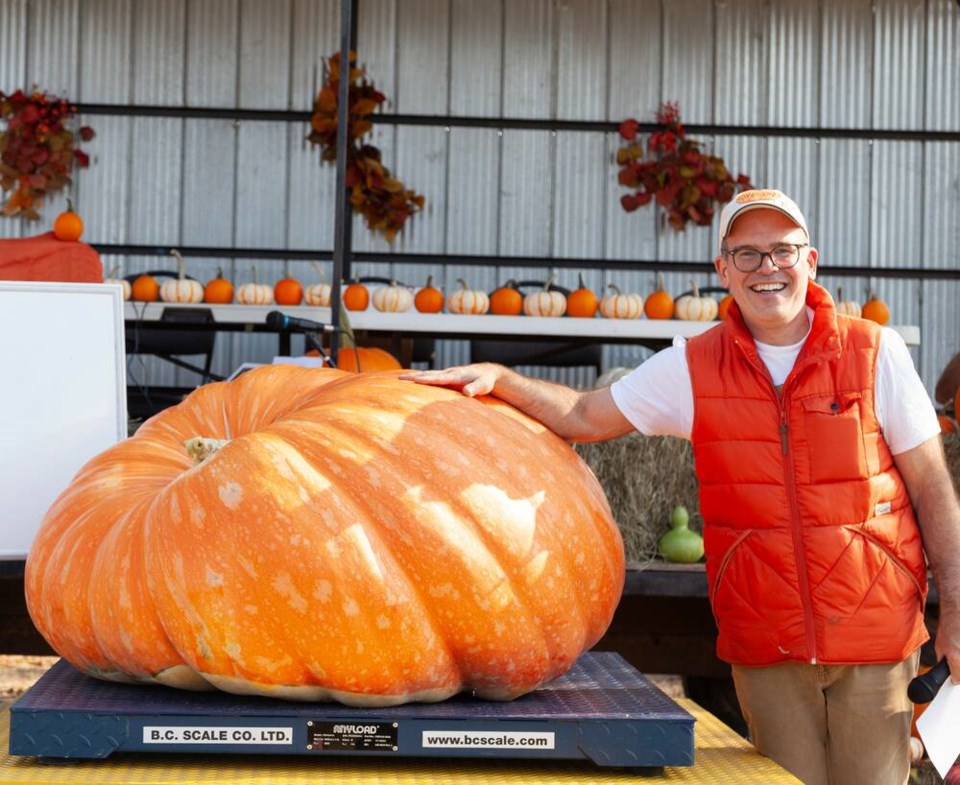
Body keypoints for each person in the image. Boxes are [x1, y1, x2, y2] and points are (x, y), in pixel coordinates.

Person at [401, 189, 960, 785]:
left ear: (811, 260)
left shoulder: (875, 352)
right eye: (747, 255)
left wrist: (955, 607)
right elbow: (586, 415)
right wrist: (502, 380)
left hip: (875, 637)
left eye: (783, 251)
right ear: (723, 271)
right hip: (763, 642)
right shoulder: (694, 366)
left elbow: (931, 485)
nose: (767, 268)